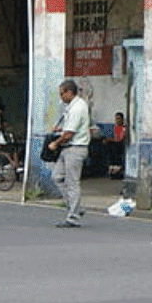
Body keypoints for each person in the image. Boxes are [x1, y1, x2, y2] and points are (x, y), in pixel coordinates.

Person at [48, 79, 93, 227]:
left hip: (75, 148)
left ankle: (73, 216)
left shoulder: (77, 107)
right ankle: (76, 207)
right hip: (68, 148)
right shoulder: (71, 107)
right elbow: (69, 129)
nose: (61, 97)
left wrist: (56, 142)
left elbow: (70, 133)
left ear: (69, 92)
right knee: (57, 177)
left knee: (72, 183)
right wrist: (60, 131)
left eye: (62, 94)